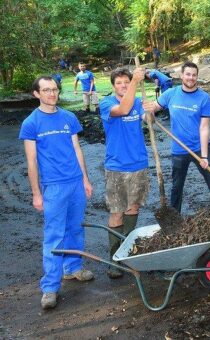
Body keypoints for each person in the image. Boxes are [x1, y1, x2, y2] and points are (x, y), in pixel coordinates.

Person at [19, 76, 94, 309]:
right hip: (53, 186)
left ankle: (72, 268)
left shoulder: (68, 118)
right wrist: (36, 193)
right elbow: (31, 162)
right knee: (54, 235)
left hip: (75, 184)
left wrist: (85, 179)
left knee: (75, 227)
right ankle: (50, 286)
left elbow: (76, 148)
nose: (52, 93)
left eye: (54, 89)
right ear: (37, 94)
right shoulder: (31, 123)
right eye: (46, 90)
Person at [143, 61, 210, 213]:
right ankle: (175, 218)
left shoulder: (204, 98)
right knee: (176, 187)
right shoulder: (171, 94)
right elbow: (154, 108)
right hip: (178, 150)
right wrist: (149, 111)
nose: (191, 78)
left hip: (199, 148)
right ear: (181, 75)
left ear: (197, 77)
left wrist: (204, 156)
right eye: (188, 74)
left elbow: (204, 127)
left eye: (194, 75)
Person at [99, 67, 150, 278]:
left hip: (139, 163)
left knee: (133, 208)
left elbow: (148, 121)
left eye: (126, 82)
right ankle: (114, 259)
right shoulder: (106, 103)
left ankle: (128, 254)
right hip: (117, 167)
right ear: (113, 86)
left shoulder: (138, 103)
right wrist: (136, 82)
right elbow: (123, 109)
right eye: (119, 83)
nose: (123, 86)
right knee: (117, 211)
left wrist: (150, 113)